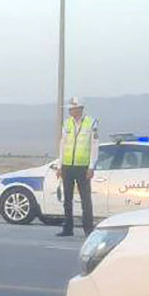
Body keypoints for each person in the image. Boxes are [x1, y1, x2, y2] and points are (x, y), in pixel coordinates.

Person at [56, 97, 99, 237]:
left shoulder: (91, 123)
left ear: (80, 109)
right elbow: (63, 144)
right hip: (68, 166)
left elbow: (94, 146)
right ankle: (68, 227)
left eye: (73, 109)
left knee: (85, 199)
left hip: (83, 167)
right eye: (70, 109)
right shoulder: (67, 123)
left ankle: (88, 229)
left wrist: (91, 166)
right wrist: (59, 165)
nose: (71, 111)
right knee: (67, 198)